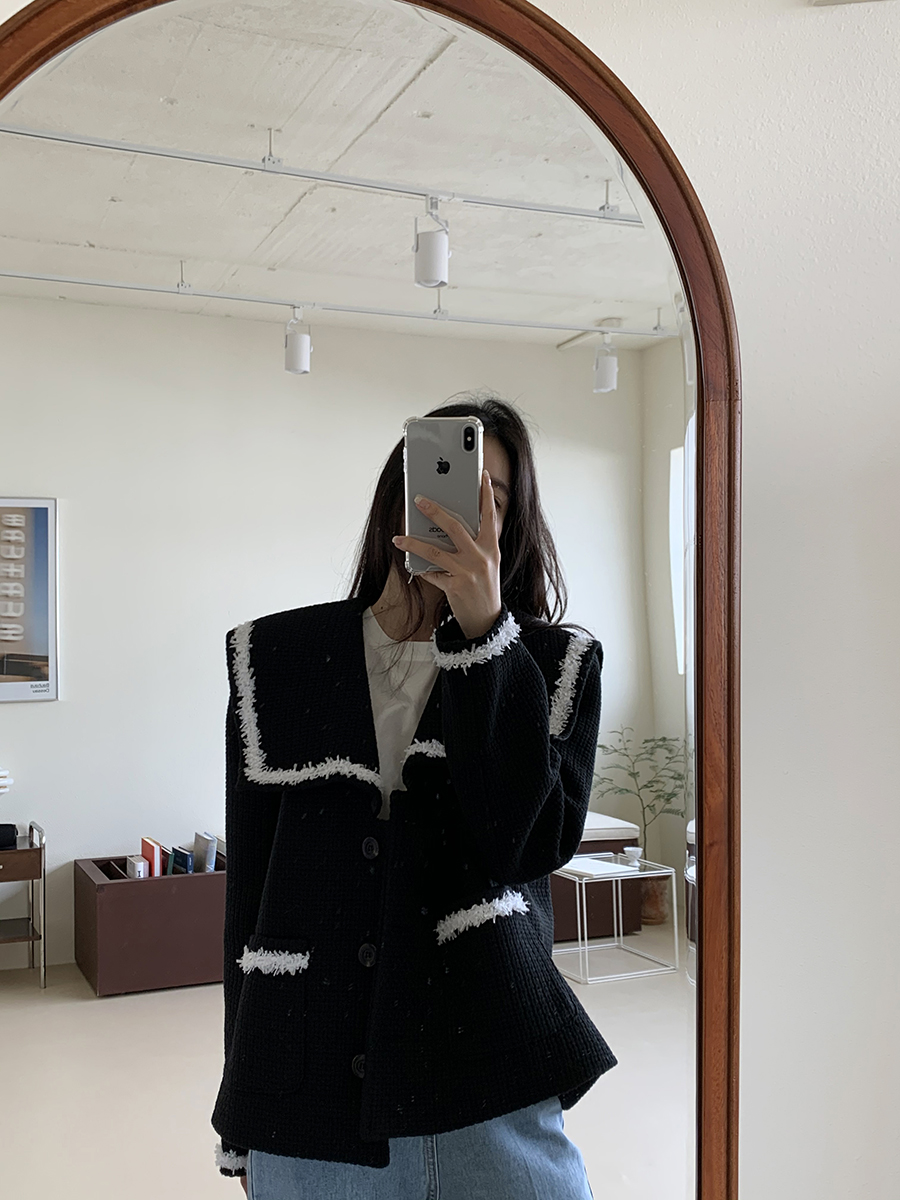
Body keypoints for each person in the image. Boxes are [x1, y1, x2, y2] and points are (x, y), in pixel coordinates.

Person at [211, 393, 617, 1199]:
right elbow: (249, 904)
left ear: (513, 525)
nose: (460, 514)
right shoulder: (277, 658)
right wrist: (241, 1117)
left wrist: (485, 637)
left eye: (492, 499)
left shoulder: (552, 665)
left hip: (488, 1080)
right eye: (442, 485)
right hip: (308, 1091)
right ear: (396, 500)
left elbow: (524, 844)